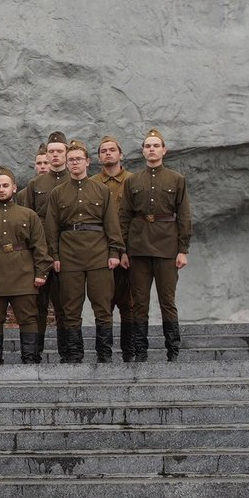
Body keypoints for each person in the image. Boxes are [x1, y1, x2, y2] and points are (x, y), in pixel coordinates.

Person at [44, 141, 124, 364]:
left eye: (78, 159)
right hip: (69, 256)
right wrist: (55, 256)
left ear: (88, 162)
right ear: (67, 164)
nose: (75, 163)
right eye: (71, 160)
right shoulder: (58, 193)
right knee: (70, 308)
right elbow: (52, 227)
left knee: (103, 307)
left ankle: (104, 355)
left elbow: (111, 223)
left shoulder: (102, 190)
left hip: (99, 254)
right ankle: (75, 356)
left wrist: (114, 252)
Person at [119, 128, 193, 361]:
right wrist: (122, 250)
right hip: (139, 248)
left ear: (164, 150)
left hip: (167, 248)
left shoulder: (176, 179)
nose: (151, 149)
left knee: (167, 301)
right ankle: (141, 352)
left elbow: (184, 216)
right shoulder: (132, 181)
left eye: (155, 145)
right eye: (147, 146)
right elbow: (124, 216)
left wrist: (182, 250)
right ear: (142, 151)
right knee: (139, 303)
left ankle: (173, 351)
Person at [0, 168, 51, 364]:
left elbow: (40, 246)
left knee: (29, 318)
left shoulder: (29, 216)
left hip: (23, 275)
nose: (2, 190)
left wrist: (41, 273)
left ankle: (30, 360)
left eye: (5, 186)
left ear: (14, 188)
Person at [15, 133, 69, 361]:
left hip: (67, 253)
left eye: (59, 151)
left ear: (66, 153)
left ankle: (68, 353)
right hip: (39, 254)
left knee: (65, 305)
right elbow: (26, 221)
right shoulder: (35, 185)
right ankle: (32, 354)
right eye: (51, 152)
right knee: (36, 305)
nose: (54, 156)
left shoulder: (74, 181)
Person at [92, 135, 137, 359]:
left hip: (128, 253)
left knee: (128, 303)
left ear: (121, 154)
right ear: (99, 157)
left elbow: (135, 221)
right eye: (103, 151)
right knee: (104, 304)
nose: (108, 153)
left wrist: (126, 251)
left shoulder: (133, 180)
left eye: (112, 150)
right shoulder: (91, 184)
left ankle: (130, 352)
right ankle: (104, 353)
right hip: (101, 254)